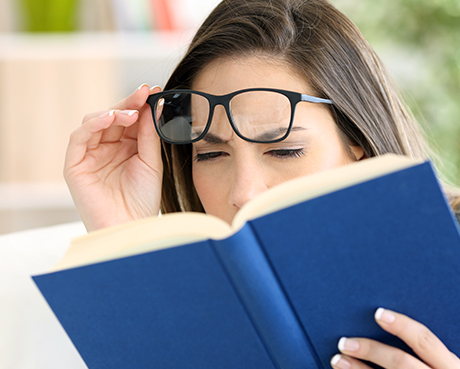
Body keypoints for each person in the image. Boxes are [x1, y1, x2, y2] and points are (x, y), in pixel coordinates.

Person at [64, 0, 460, 367]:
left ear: (355, 138)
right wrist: (124, 240)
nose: (244, 193)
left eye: (284, 150)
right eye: (210, 154)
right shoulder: (190, 300)